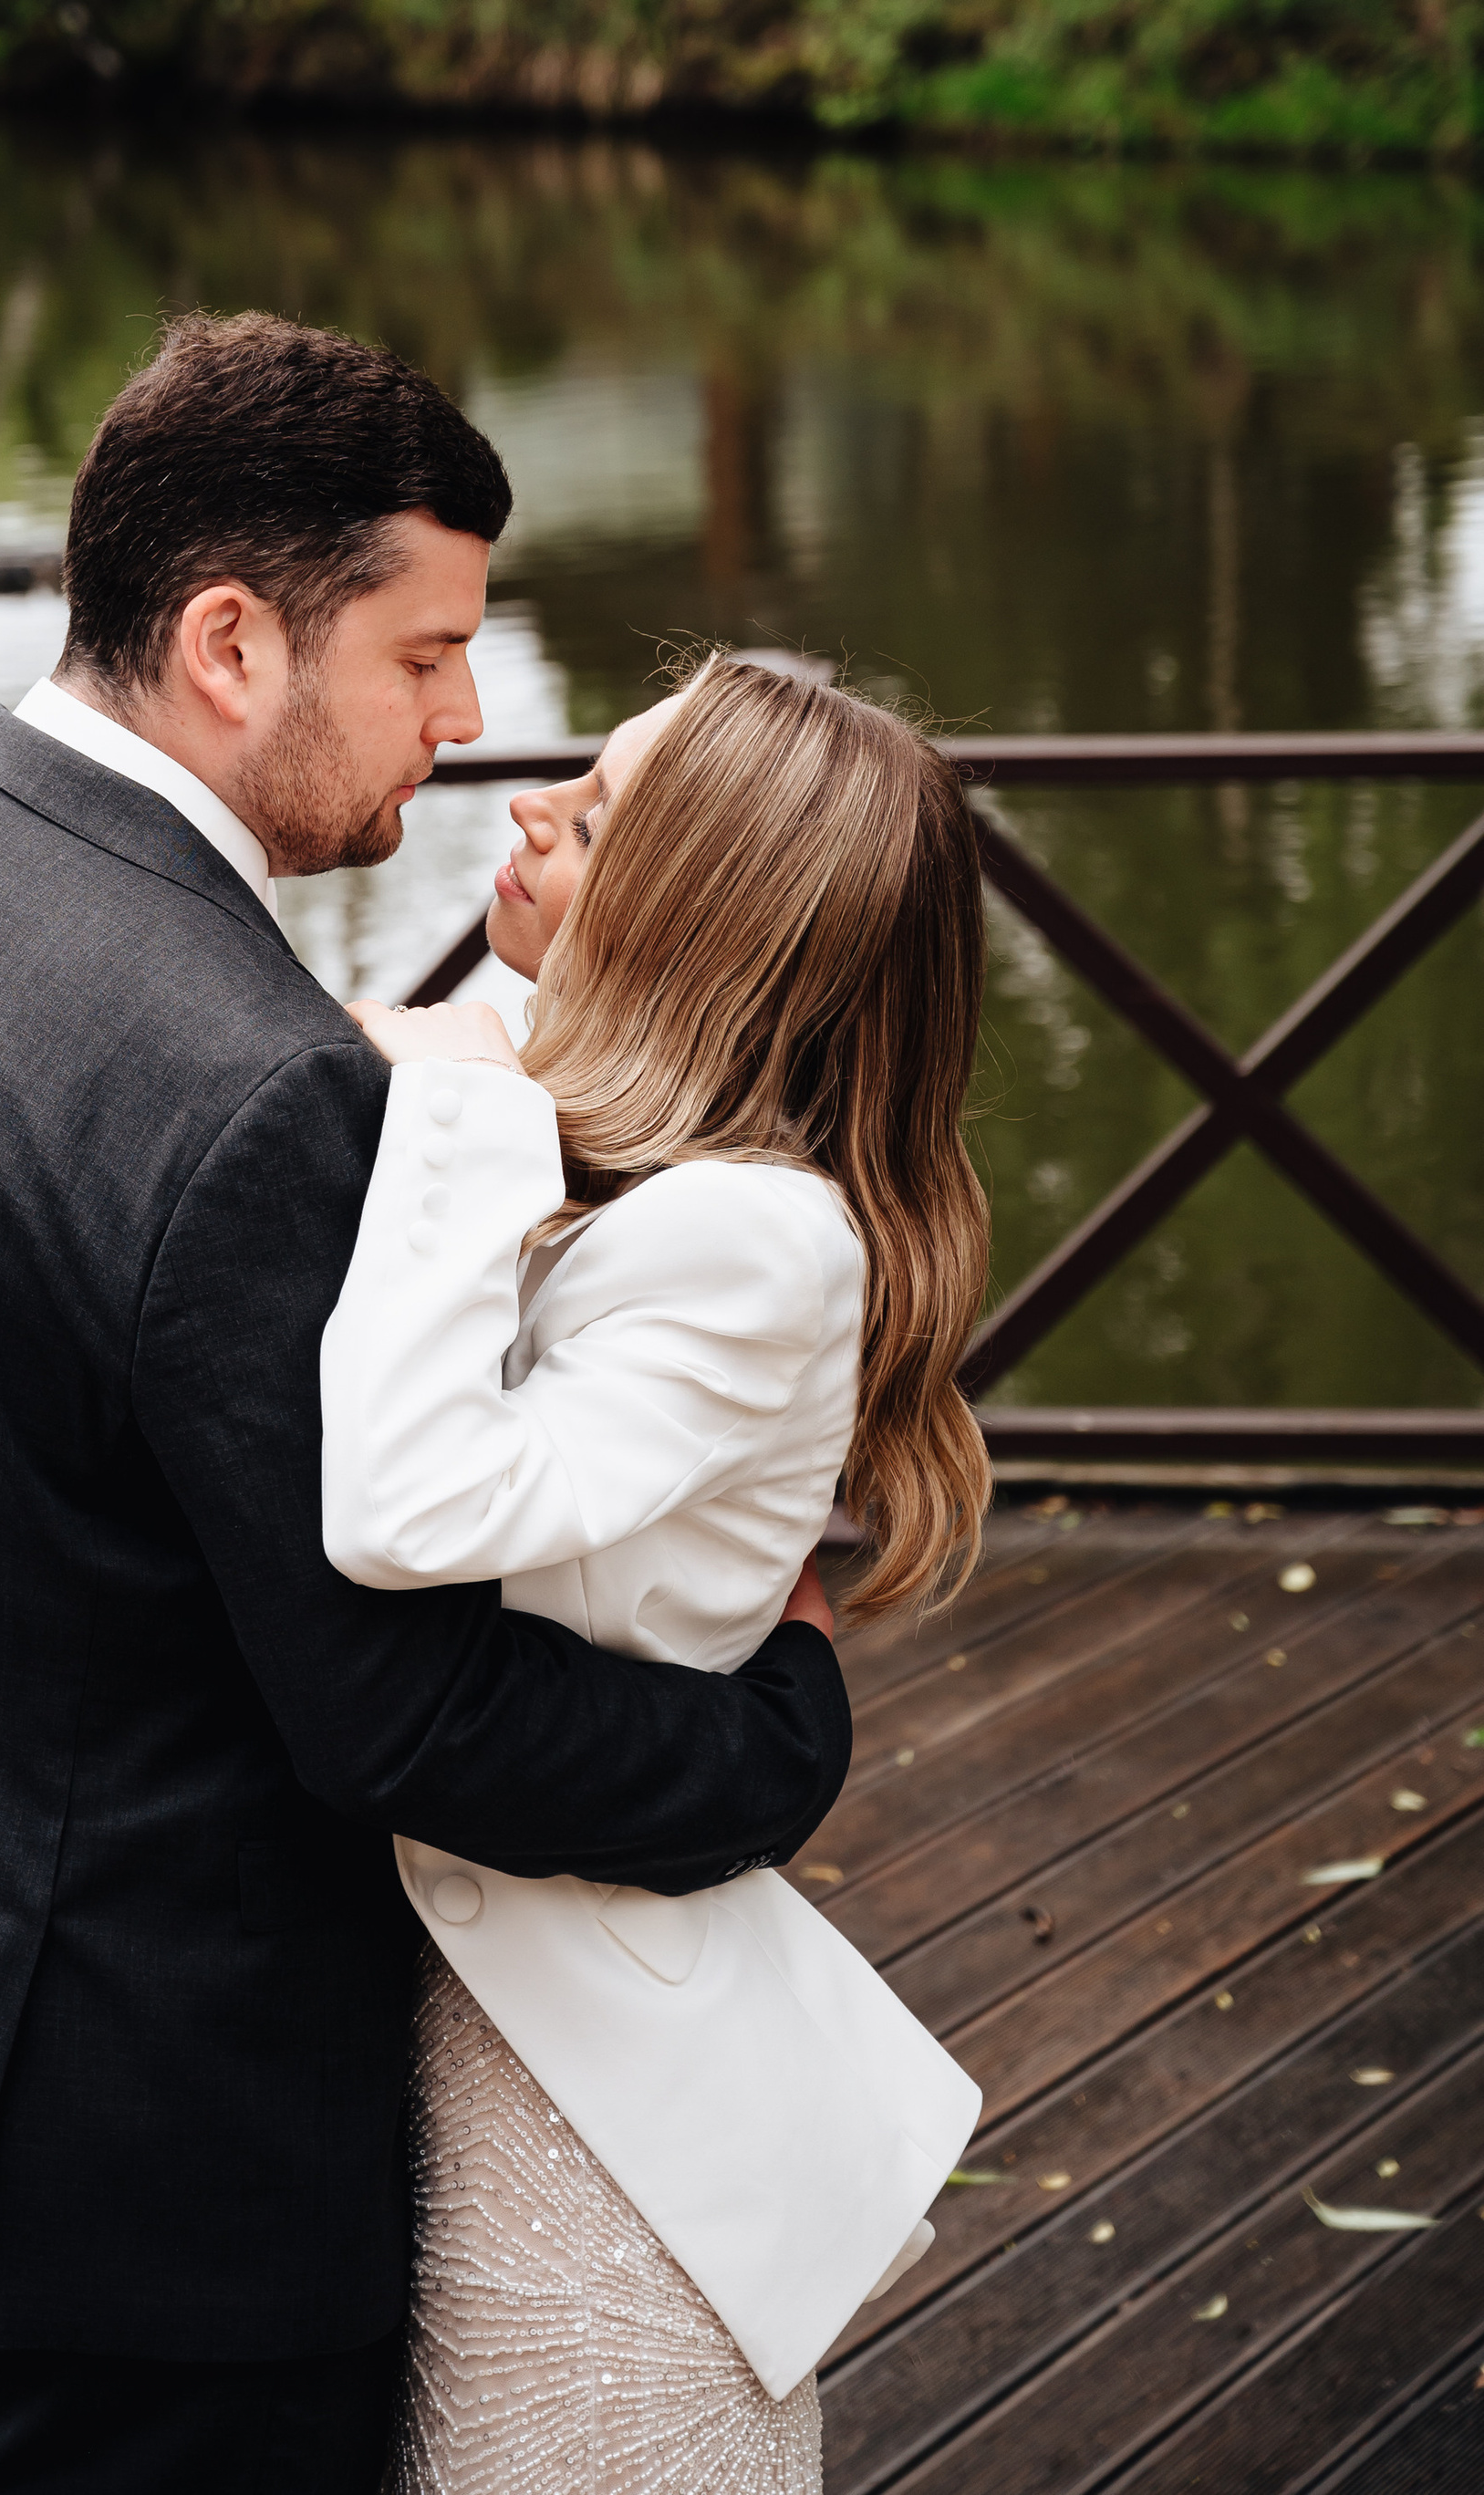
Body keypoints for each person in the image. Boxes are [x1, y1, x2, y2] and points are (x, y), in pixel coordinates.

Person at [0, 313, 853, 2495]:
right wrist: (769, 1742)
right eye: (427, 655)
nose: (466, 725)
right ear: (227, 642)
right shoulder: (254, 1084)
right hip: (138, 2172)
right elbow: (392, 1713)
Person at [320, 659, 994, 2495]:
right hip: (482, 2036)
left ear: (711, 911)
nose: (526, 808)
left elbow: (405, 1507)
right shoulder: (635, 1175)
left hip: (591, 2130)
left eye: (597, 811)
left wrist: (455, 1091)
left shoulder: (746, 1232)